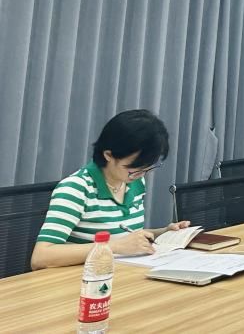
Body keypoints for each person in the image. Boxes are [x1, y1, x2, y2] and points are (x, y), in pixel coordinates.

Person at [32, 109, 190, 270]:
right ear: (108, 154)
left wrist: (164, 233)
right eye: (133, 169)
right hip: (83, 278)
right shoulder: (76, 188)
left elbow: (123, 236)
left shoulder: (135, 182)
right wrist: (113, 246)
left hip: (119, 273)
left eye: (147, 169)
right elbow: (41, 257)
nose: (141, 175)